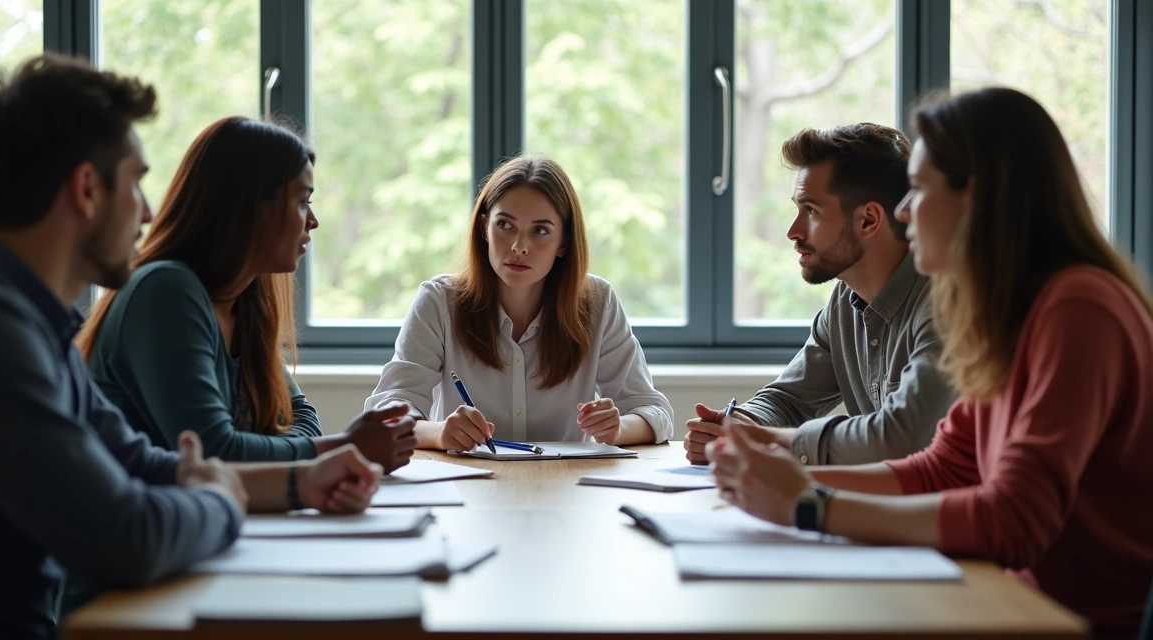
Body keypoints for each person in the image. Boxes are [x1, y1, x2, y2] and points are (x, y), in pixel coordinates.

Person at [0, 54, 405, 639]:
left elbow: (136, 462)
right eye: (134, 182)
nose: (149, 211)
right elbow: (129, 536)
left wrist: (297, 483)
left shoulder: (22, 319)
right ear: (86, 189)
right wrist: (223, 498)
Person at [708, 87, 1153, 637]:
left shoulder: (1080, 308)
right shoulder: (1005, 312)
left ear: (980, 198)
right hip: (1003, 603)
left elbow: (1014, 521)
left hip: (1070, 623)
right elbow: (944, 467)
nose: (901, 210)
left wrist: (808, 505)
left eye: (918, 189)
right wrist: (776, 483)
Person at [76, 116, 415, 472]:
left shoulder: (246, 303)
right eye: (302, 201)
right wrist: (342, 448)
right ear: (252, 207)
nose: (312, 220)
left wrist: (314, 450)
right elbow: (214, 452)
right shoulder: (165, 291)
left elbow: (301, 415)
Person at [685, 124, 956, 466]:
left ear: (868, 220)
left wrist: (764, 439)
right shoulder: (845, 300)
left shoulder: (946, 304)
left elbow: (900, 439)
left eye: (811, 211)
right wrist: (736, 425)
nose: (793, 232)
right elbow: (789, 400)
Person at [366, 155, 673, 450]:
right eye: (505, 225)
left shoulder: (597, 302)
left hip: (568, 490)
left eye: (540, 231)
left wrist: (618, 427)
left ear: (563, 243)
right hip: (467, 488)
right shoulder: (439, 301)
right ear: (485, 228)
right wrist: (440, 433)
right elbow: (385, 416)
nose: (518, 246)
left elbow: (655, 413)